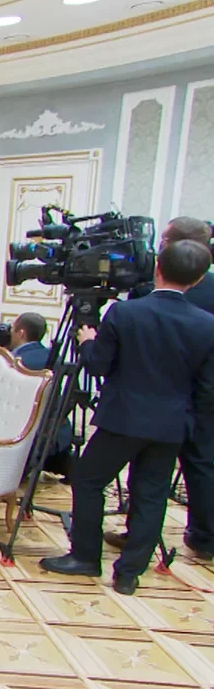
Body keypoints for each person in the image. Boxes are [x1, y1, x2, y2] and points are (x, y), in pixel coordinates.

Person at [39, 240, 214, 594]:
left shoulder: (124, 313)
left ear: (157, 269)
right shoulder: (207, 325)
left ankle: (85, 557)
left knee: (88, 479)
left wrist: (88, 341)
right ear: (197, 280)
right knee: (151, 495)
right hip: (171, 425)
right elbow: (206, 389)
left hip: (123, 418)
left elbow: (99, 366)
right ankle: (129, 574)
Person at [106, 216, 214, 560]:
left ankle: (137, 535)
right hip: (201, 395)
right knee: (201, 466)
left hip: (151, 400)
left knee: (147, 475)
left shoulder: (147, 290)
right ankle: (204, 538)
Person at [8, 312, 74, 477]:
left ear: (21, 333)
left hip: (26, 439)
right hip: (58, 435)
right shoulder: (54, 357)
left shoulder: (14, 361)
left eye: (12, 329)